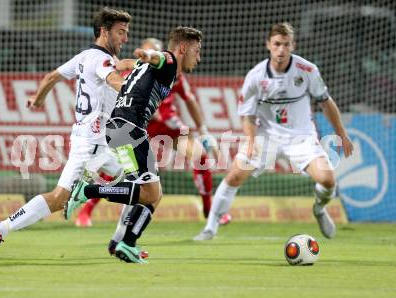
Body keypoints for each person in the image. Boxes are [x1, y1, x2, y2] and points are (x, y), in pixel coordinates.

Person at [0, 7, 131, 256]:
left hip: (92, 139)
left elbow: (50, 78)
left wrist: (38, 100)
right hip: (92, 142)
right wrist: (134, 84)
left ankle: (118, 235)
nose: (125, 38)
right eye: (121, 32)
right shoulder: (102, 61)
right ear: (104, 31)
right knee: (65, 196)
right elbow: (114, 79)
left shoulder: (84, 57)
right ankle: (1, 228)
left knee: (130, 183)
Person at [193, 22, 354, 241]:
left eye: (286, 45)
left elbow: (326, 102)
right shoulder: (256, 76)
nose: (281, 50)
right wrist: (250, 142)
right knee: (234, 175)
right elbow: (247, 114)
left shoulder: (307, 70)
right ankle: (210, 228)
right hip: (266, 136)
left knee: (327, 180)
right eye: (277, 44)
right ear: (268, 44)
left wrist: (342, 134)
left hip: (301, 137)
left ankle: (318, 209)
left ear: (292, 45)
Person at [64, 26, 209, 263]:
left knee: (148, 193)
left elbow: (145, 63)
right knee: (152, 193)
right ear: (183, 48)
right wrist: (147, 54)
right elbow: (160, 57)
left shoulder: (155, 68)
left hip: (120, 127)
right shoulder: (170, 61)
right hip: (129, 128)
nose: (199, 57)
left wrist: (134, 61)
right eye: (197, 50)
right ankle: (86, 191)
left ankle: (125, 243)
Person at [75, 37, 231, 233]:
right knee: (125, 172)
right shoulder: (135, 71)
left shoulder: (173, 72)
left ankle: (209, 209)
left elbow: (190, 100)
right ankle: (87, 210)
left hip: (166, 127)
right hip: (138, 124)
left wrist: (204, 132)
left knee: (199, 156)